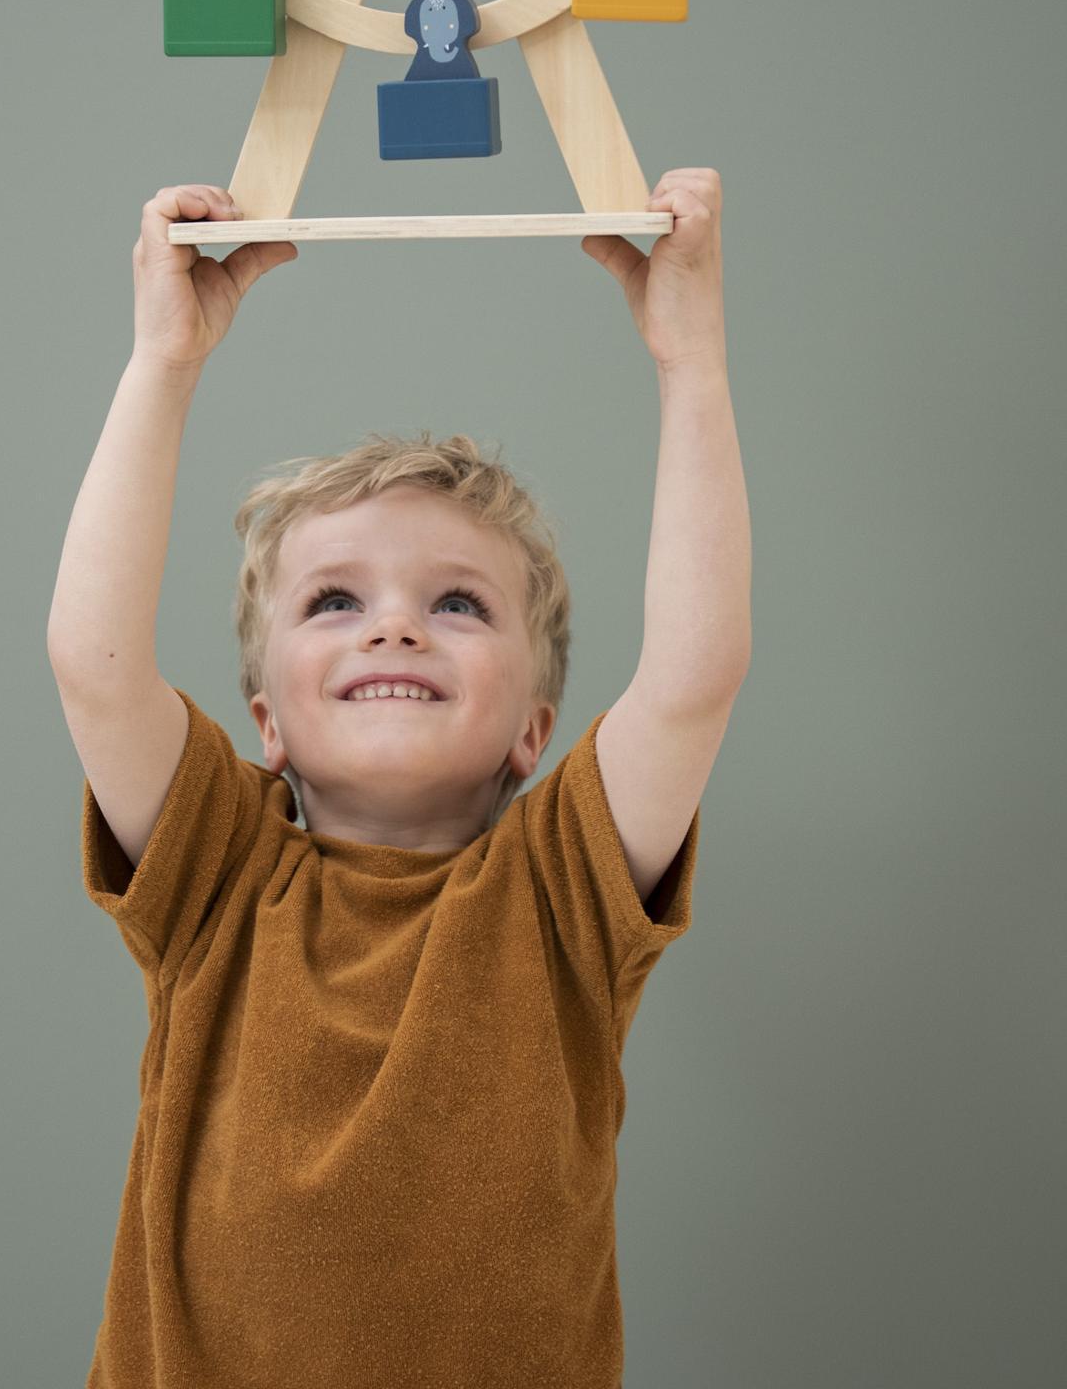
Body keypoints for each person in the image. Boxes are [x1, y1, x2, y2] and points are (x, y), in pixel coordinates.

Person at [46, 171, 751, 1389]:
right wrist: (164, 359)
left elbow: (691, 676)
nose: (393, 630)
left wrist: (689, 359)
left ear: (533, 731)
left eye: (458, 603)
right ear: (264, 719)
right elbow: (93, 664)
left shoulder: (561, 892)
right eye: (333, 600)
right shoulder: (217, 871)